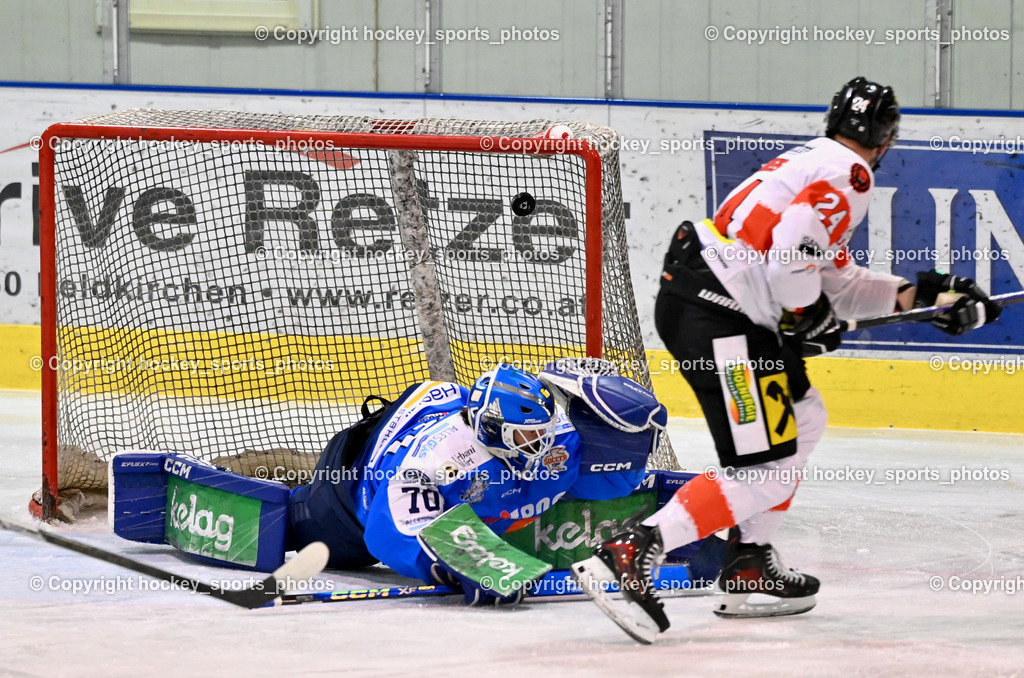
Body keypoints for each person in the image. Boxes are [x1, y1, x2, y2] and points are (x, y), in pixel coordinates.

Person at [572, 76, 1002, 641]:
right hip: (723, 317)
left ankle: (748, 564)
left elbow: (837, 280)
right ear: (886, 138)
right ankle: (632, 550)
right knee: (767, 472)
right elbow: (793, 256)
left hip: (717, 308)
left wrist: (927, 294)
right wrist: (807, 315)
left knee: (804, 418)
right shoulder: (851, 173)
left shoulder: (811, 163)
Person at [286, 359, 667, 605]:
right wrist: (459, 565)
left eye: (541, 434)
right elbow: (390, 531)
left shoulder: (552, 441)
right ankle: (271, 497)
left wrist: (626, 442)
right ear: (492, 430)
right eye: (524, 439)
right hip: (346, 503)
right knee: (302, 528)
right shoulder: (437, 461)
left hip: (426, 432)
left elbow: (610, 478)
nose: (537, 448)